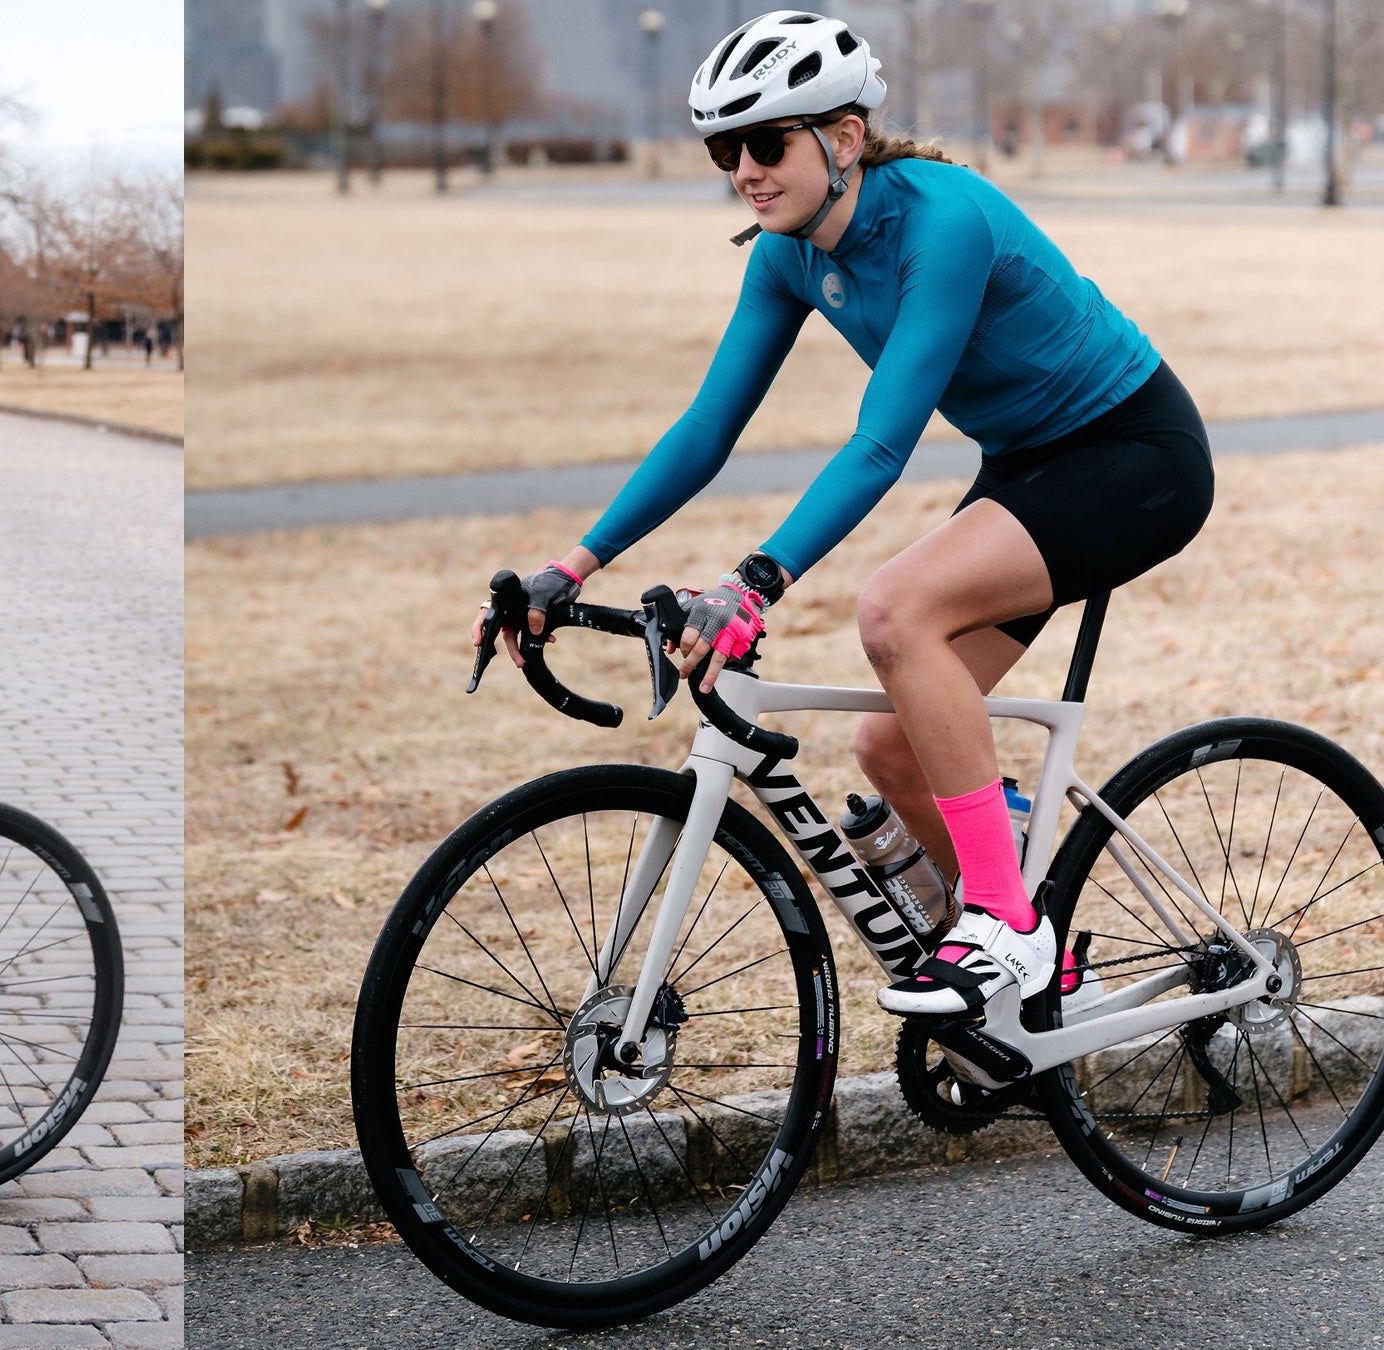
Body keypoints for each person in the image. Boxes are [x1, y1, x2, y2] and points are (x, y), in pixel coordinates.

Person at [475, 11, 1211, 1019]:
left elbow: (880, 443)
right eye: (724, 149)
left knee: (894, 612)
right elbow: (707, 431)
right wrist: (576, 563)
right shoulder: (783, 253)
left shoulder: (944, 219)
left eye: (766, 142)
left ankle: (1007, 923)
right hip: (1031, 468)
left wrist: (757, 578)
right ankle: (1034, 944)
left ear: (845, 138)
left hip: (1134, 455)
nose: (745, 169)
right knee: (892, 747)